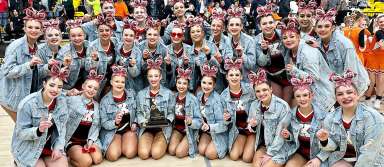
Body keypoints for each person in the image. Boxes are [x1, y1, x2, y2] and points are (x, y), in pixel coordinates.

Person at [316, 69, 384, 166]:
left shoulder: (373, 118)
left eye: (349, 92)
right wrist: (325, 140)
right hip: (344, 158)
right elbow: (333, 147)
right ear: (336, 98)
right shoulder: (331, 118)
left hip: (371, 162)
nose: (345, 96)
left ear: (356, 94)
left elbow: (370, 153)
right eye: (340, 94)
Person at [12, 64, 69, 167]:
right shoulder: (27, 104)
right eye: (52, 85)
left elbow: (62, 128)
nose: (55, 90)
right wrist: (38, 130)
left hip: (49, 147)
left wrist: (58, 147)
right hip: (29, 148)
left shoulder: (62, 102)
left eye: (59, 87)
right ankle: (18, 161)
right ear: (44, 84)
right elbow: (20, 133)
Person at [0, 7, 46, 122]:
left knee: (24, 132)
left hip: (28, 96)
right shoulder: (15, 46)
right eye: (30, 27)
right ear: (24, 29)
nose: (33, 30)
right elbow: (7, 71)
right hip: (13, 98)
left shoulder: (38, 48)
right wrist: (28, 65)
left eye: (37, 28)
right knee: (22, 131)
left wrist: (48, 67)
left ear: (41, 31)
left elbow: (36, 74)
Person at [281, 18, 335, 112]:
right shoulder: (289, 51)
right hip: (305, 94)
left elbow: (314, 77)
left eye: (292, 36)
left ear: (298, 37)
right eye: (285, 38)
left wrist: (295, 70)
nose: (288, 40)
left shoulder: (308, 52)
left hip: (321, 95)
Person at [314, 8, 369, 96]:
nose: (322, 29)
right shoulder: (317, 44)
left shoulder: (344, 44)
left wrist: (348, 93)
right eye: (319, 26)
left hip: (350, 84)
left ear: (333, 28)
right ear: (315, 29)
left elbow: (351, 71)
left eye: (327, 26)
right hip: (332, 85)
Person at [248, 69, 292, 167]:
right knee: (256, 165)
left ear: (271, 89)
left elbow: (281, 135)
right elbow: (251, 126)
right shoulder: (254, 105)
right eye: (258, 91)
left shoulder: (283, 106)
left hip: (280, 146)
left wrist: (270, 154)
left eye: (264, 90)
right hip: (264, 145)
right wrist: (253, 126)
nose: (261, 93)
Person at [283, 75, 328, 167]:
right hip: (301, 153)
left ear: (311, 96)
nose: (302, 99)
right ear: (294, 97)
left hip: (318, 154)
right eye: (298, 96)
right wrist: (288, 136)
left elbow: (332, 143)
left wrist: (319, 158)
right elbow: (292, 139)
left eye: (305, 95)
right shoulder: (291, 114)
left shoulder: (323, 115)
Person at [136, 58, 176, 160]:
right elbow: (139, 113)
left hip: (162, 129)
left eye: (156, 76)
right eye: (150, 76)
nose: (153, 79)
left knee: (156, 154)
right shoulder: (141, 94)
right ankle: (149, 141)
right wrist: (143, 122)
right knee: (143, 154)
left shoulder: (169, 94)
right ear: (147, 77)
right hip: (147, 129)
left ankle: (161, 142)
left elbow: (172, 113)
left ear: (160, 77)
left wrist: (166, 120)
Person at [65, 69, 104, 166]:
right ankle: (70, 156)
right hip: (73, 140)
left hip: (87, 139)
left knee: (97, 159)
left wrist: (90, 141)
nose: (92, 90)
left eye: (95, 89)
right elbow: (57, 96)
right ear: (83, 86)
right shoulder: (72, 100)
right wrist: (67, 92)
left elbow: (96, 126)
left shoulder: (96, 105)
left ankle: (81, 154)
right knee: (87, 162)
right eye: (89, 86)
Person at [255, 4, 293, 105]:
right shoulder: (256, 40)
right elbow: (261, 63)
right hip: (272, 76)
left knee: (286, 103)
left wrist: (310, 41)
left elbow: (297, 37)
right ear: (259, 26)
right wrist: (264, 51)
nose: (268, 26)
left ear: (275, 23)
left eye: (271, 22)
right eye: (264, 23)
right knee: (277, 103)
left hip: (287, 75)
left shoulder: (282, 34)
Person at [99, 65, 138, 161]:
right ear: (111, 82)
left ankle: (126, 142)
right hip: (113, 131)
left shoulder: (131, 94)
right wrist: (115, 122)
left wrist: (135, 122)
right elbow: (103, 123)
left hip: (128, 130)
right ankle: (118, 143)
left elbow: (139, 111)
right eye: (116, 81)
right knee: (112, 156)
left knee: (130, 153)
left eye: (122, 82)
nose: (119, 84)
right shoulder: (105, 101)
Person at [221, 58, 256, 163]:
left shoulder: (250, 90)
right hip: (238, 130)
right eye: (231, 75)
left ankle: (253, 142)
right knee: (234, 156)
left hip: (251, 129)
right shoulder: (223, 96)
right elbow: (225, 122)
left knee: (247, 158)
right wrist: (226, 119)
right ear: (227, 77)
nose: (234, 77)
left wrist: (254, 122)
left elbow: (258, 107)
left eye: (237, 75)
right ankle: (244, 142)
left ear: (241, 77)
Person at [168, 67, 202, 158]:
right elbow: (170, 113)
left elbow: (199, 121)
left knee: (179, 153)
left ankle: (194, 142)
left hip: (189, 130)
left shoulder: (193, 99)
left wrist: (191, 122)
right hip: (177, 129)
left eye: (184, 83)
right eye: (179, 83)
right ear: (176, 83)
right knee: (171, 151)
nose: (181, 86)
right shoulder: (173, 97)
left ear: (188, 85)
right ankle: (182, 142)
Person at [197, 64, 228, 160]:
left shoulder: (217, 100)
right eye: (204, 82)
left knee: (209, 154)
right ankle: (208, 141)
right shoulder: (198, 96)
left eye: (210, 83)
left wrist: (210, 127)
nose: (206, 86)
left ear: (214, 85)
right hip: (206, 132)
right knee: (201, 150)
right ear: (200, 83)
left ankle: (224, 145)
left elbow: (224, 125)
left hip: (219, 133)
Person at [85, 14, 120, 99]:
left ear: (111, 32)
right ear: (97, 31)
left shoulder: (116, 42)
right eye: (101, 30)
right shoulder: (92, 46)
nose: (104, 32)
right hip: (98, 80)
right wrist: (95, 60)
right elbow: (87, 67)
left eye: (107, 30)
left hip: (113, 78)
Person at [137, 17, 175, 89]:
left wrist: (168, 65)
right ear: (146, 35)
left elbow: (169, 74)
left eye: (155, 35)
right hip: (144, 84)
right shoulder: (140, 47)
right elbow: (137, 72)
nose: (152, 37)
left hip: (160, 84)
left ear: (158, 36)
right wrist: (144, 59)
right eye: (149, 34)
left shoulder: (165, 49)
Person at [188, 16, 221, 92]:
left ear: (203, 33)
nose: (195, 34)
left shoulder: (211, 46)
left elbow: (219, 68)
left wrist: (209, 55)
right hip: (196, 88)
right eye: (193, 32)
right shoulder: (188, 50)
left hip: (213, 87)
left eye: (198, 31)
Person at [225, 6, 257, 83]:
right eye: (231, 25)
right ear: (228, 27)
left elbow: (251, 65)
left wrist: (242, 55)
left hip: (246, 80)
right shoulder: (227, 41)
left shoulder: (250, 40)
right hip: (232, 79)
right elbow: (225, 65)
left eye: (237, 24)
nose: (234, 27)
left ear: (241, 26)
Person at [57, 19, 90, 92]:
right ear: (69, 37)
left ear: (84, 35)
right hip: (68, 87)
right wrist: (64, 67)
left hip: (86, 84)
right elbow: (56, 72)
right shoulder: (64, 52)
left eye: (80, 35)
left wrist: (95, 59)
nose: (77, 38)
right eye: (73, 36)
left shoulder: (90, 46)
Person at [362, 14, 384, 109]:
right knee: (372, 81)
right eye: (381, 22)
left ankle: (378, 99)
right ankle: (367, 98)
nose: (383, 23)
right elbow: (382, 46)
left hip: (382, 59)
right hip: (373, 59)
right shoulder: (379, 32)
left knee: (381, 81)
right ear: (378, 23)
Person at [166, 21, 194, 91]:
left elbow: (192, 73)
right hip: (169, 88)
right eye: (173, 34)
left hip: (185, 88)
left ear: (183, 37)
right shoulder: (165, 50)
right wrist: (168, 66)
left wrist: (186, 64)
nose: (176, 37)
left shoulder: (190, 49)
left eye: (179, 35)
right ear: (170, 36)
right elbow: (164, 74)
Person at [36, 19, 63, 90]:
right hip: (43, 88)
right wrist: (48, 67)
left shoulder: (65, 51)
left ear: (61, 37)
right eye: (50, 35)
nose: (54, 37)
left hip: (61, 86)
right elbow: (36, 74)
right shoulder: (39, 51)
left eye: (57, 35)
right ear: (45, 38)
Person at [116, 19, 142, 92]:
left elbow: (136, 74)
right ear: (122, 35)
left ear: (134, 37)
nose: (128, 37)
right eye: (126, 35)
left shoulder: (137, 52)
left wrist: (132, 66)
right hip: (118, 81)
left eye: (131, 35)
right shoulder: (118, 47)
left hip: (133, 85)